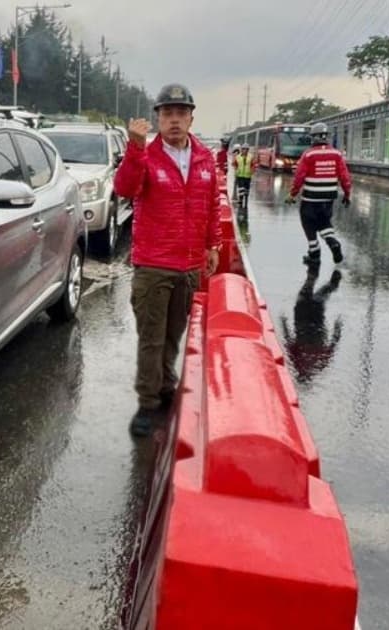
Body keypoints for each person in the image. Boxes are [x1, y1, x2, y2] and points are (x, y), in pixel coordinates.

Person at [114, 83, 221, 437]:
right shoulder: (146, 155)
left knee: (174, 334)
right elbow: (125, 188)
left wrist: (213, 246)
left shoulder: (205, 158)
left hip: (188, 266)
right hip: (154, 265)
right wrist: (134, 147)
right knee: (151, 338)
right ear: (157, 118)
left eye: (181, 113)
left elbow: (211, 206)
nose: (174, 120)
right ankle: (147, 403)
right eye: (167, 114)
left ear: (191, 117)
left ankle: (166, 385)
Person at [287, 122, 350, 266]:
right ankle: (333, 243)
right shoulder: (336, 154)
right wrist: (347, 194)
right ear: (326, 137)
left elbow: (299, 177)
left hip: (310, 197)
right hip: (328, 198)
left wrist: (292, 194)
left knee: (308, 222)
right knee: (324, 221)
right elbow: (345, 177)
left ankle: (314, 253)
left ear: (314, 137)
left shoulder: (309, 154)